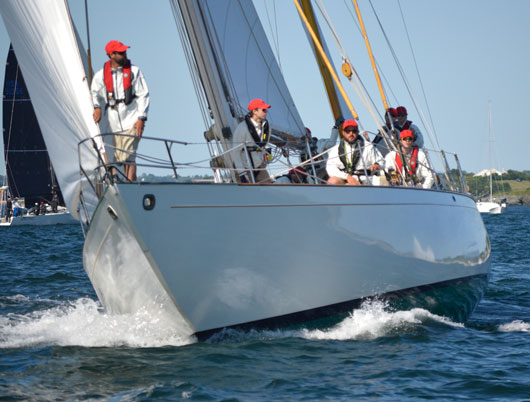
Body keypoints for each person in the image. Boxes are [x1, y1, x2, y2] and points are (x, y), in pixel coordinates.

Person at [91, 40, 150, 182]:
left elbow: (143, 94)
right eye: (121, 52)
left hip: (131, 119)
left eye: (125, 51)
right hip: (113, 122)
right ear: (111, 55)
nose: (125, 54)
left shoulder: (134, 71)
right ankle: (127, 184)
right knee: (119, 159)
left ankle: (129, 184)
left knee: (129, 155)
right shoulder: (101, 75)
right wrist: (97, 107)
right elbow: (94, 92)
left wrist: (141, 118)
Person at [326, 119, 384, 185]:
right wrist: (347, 176)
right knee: (332, 181)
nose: (351, 133)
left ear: (358, 132)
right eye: (348, 131)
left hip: (366, 179)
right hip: (346, 179)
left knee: (384, 181)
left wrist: (377, 165)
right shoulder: (336, 149)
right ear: (343, 132)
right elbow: (330, 168)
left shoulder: (368, 146)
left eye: (354, 131)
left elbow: (381, 161)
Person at [232, 98, 272, 183]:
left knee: (269, 188)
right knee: (247, 192)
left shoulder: (266, 127)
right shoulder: (242, 128)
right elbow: (235, 152)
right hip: (245, 167)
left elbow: (263, 145)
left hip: (259, 166)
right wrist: (241, 173)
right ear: (255, 111)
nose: (266, 112)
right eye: (264, 110)